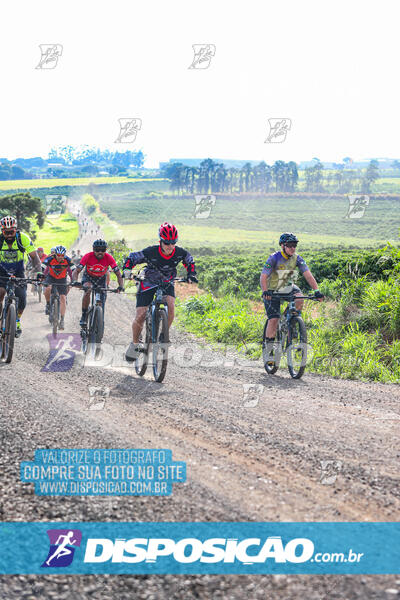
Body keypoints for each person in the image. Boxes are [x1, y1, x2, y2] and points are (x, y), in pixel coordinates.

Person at [123, 222, 198, 361]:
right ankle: (135, 344)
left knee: (171, 306)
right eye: (167, 243)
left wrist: (191, 274)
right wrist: (127, 270)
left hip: (167, 282)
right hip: (148, 282)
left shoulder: (180, 252)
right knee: (140, 315)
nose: (170, 246)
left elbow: (189, 261)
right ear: (160, 241)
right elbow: (132, 258)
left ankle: (164, 335)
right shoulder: (151, 251)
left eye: (173, 243)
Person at [260, 232, 324, 350]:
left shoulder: (297, 258)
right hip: (271, 290)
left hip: (286, 287)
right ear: (283, 246)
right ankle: (268, 349)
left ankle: (290, 321)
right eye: (290, 245)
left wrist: (317, 291)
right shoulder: (274, 258)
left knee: (299, 297)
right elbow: (263, 276)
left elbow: (308, 275)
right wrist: (265, 291)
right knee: (273, 319)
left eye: (294, 245)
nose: (293, 248)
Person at [0, 215, 42, 337]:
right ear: (2, 231)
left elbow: (35, 257)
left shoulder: (22, 238)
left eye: (11, 232)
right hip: (1, 272)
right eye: (5, 232)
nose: (8, 235)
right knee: (0, 293)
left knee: (22, 299)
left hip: (18, 272)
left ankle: (17, 320)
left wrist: (39, 272)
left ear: (16, 230)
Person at [72, 239, 124, 328]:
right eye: (97, 250)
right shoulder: (88, 256)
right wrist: (75, 281)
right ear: (93, 249)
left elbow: (118, 274)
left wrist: (120, 286)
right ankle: (84, 315)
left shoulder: (109, 258)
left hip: (101, 279)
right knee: (87, 290)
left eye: (103, 250)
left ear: (106, 250)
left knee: (102, 299)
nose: (100, 252)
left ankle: (99, 321)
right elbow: (76, 271)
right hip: (88, 277)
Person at [42, 245, 73, 330]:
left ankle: (62, 320)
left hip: (62, 279)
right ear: (55, 254)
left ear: (64, 255)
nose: (60, 257)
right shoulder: (50, 259)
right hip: (51, 277)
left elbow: (73, 269)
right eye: (58, 255)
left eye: (62, 255)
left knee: (63, 298)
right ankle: (48, 304)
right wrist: (40, 275)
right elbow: (43, 266)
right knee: (47, 288)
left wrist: (73, 280)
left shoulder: (68, 260)